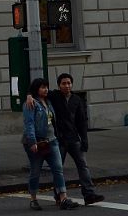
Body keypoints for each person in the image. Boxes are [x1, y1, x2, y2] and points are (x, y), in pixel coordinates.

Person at [22, 77, 79, 210]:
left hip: (51, 140)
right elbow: (29, 124)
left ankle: (63, 198)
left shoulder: (49, 101)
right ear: (37, 89)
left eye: (46, 86)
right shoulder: (31, 104)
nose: (46, 89)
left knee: (58, 169)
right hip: (37, 141)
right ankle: (33, 199)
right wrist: (32, 141)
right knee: (35, 171)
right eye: (42, 87)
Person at [49, 73, 103, 204]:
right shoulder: (54, 96)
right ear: (59, 85)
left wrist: (84, 139)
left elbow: (81, 121)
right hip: (59, 139)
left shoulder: (76, 99)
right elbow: (37, 89)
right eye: (64, 83)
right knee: (58, 168)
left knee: (83, 165)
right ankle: (58, 195)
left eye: (69, 83)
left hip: (74, 138)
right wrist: (28, 95)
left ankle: (89, 194)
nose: (67, 86)